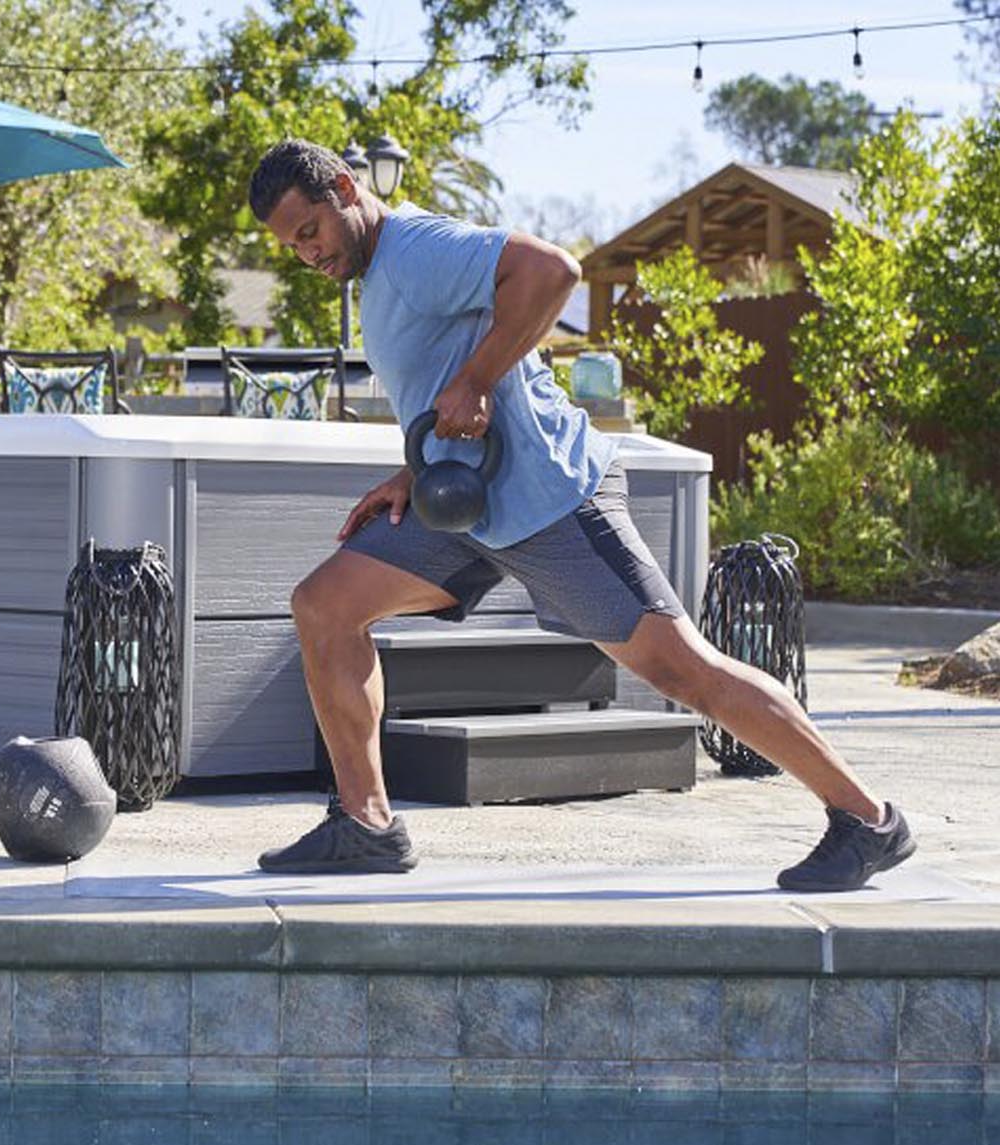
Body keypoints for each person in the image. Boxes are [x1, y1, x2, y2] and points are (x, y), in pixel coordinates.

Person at [246, 138, 913, 892]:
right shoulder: (383, 277)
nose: (307, 253)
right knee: (326, 606)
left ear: (344, 188)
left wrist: (474, 381)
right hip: (464, 506)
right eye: (290, 246)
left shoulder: (414, 246)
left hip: (550, 502)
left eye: (311, 231)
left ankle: (868, 820)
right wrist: (414, 469)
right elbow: (457, 378)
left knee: (684, 670)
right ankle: (366, 825)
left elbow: (551, 270)